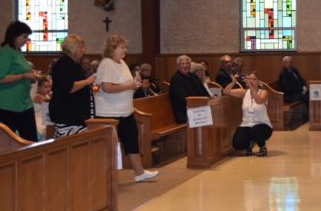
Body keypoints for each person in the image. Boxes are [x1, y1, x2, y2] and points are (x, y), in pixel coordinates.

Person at [96, 34, 158, 182]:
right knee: (110, 145)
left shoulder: (121, 63)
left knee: (131, 139)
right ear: (112, 49)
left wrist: (135, 83)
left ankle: (139, 172)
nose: (125, 50)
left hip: (125, 110)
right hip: (109, 112)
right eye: (122, 47)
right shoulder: (107, 63)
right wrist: (129, 86)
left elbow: (124, 84)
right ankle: (105, 177)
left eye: (125, 47)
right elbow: (107, 87)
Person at [0, 21, 40, 141]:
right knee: (6, 143)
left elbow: (20, 73)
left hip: (23, 102)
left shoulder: (17, 52)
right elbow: (0, 78)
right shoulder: (5, 52)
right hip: (7, 104)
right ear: (14, 35)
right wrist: (24, 76)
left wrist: (31, 77)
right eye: (24, 36)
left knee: (30, 140)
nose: (26, 40)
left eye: (27, 37)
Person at [49, 34, 96, 137]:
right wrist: (87, 81)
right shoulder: (63, 64)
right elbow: (68, 87)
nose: (83, 50)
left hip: (74, 114)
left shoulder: (73, 63)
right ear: (72, 48)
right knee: (70, 144)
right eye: (80, 47)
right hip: (67, 115)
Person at [223, 70, 273, 156]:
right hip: (246, 125)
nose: (251, 81)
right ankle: (249, 144)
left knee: (255, 130)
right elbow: (226, 92)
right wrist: (233, 82)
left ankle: (262, 147)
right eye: (249, 79)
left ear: (258, 81)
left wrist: (251, 87)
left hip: (263, 126)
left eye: (254, 79)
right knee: (237, 144)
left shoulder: (263, 92)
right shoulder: (244, 92)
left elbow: (259, 100)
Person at [169, 55, 210, 124]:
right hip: (184, 113)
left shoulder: (194, 76)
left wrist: (208, 100)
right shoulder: (176, 80)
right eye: (182, 64)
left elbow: (204, 92)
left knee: (214, 114)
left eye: (187, 63)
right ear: (178, 66)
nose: (185, 66)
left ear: (190, 65)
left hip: (197, 109)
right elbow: (184, 99)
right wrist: (201, 104)